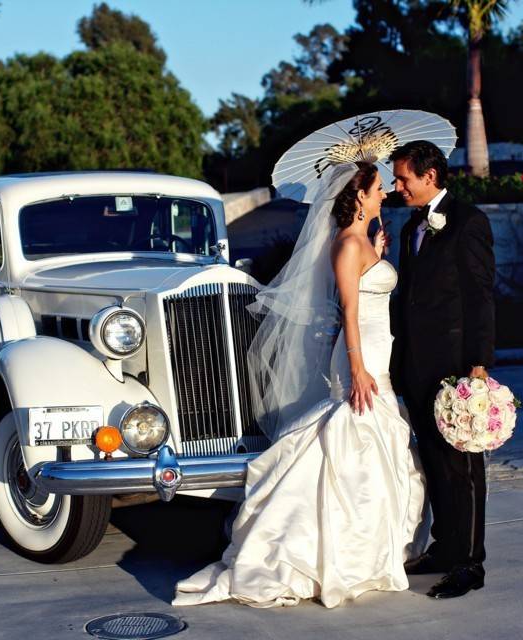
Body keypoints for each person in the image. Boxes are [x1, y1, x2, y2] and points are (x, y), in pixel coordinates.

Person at [172, 161, 429, 609]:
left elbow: (368, 292)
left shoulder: (361, 242)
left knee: (377, 438)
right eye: (377, 188)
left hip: (376, 347)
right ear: (359, 195)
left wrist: (380, 255)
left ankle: (372, 549)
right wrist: (358, 367)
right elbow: (348, 311)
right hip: (361, 354)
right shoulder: (347, 244)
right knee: (355, 435)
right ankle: (321, 551)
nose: (385, 193)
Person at [390, 140, 495, 599]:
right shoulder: (410, 226)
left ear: (429, 176)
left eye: (403, 179)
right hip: (415, 364)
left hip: (454, 367)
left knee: (463, 466)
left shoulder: (469, 222)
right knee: (433, 461)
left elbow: (480, 297)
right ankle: (445, 547)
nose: (397, 186)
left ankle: (471, 562)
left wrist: (477, 368)